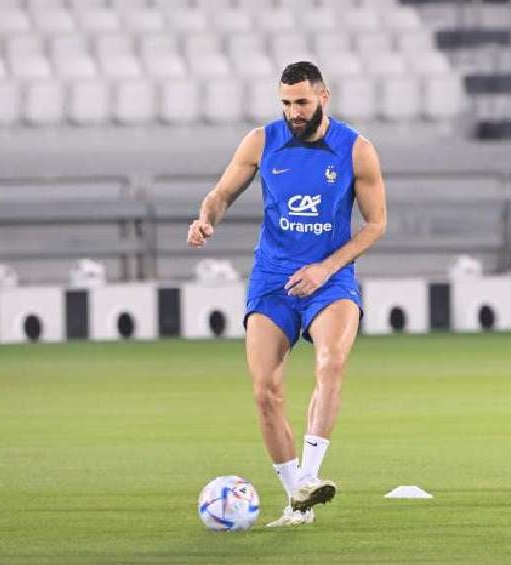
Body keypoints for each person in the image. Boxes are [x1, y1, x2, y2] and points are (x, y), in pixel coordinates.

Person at [187, 61, 387, 527]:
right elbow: (220, 194)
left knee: (331, 361)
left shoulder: (356, 150)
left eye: (301, 102)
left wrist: (325, 268)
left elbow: (376, 224)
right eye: (285, 103)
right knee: (265, 391)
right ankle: (295, 494)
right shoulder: (261, 142)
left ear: (323, 98)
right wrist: (206, 220)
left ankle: (311, 478)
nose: (293, 112)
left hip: (330, 280)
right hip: (272, 280)